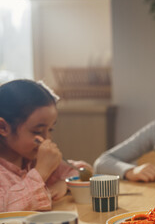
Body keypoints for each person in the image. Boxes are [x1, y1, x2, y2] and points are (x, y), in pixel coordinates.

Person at [0, 79, 92, 212]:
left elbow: (82, 170)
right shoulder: (37, 164)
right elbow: (7, 211)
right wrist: (41, 172)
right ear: (3, 127)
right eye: (37, 131)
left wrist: (64, 183)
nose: (47, 139)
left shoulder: (31, 159)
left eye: (50, 130)